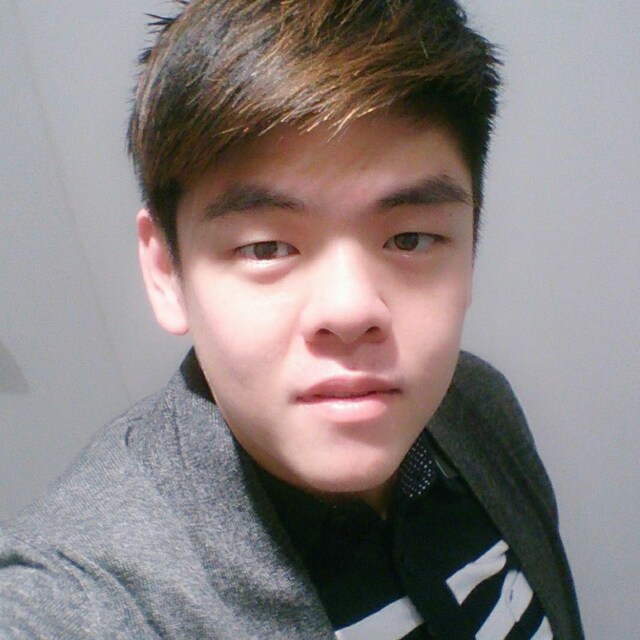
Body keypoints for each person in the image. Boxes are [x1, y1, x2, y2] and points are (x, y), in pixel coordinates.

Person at [0, 1, 584, 638]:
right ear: (166, 270)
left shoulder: (478, 402)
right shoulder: (83, 595)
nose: (350, 310)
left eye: (411, 239)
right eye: (266, 248)